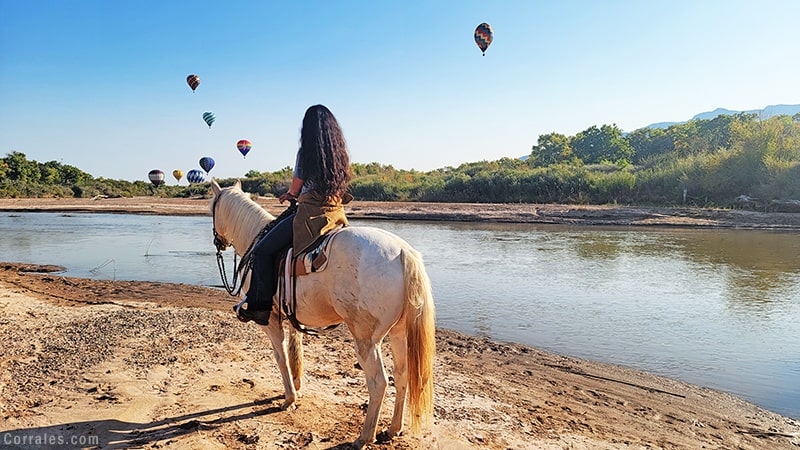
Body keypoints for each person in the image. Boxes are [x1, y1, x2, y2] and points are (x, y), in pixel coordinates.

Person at [234, 105, 353, 325]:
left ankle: (260, 307)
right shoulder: (339, 154)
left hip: (310, 214)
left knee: (261, 251)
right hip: (335, 213)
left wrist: (290, 194)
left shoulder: (306, 153)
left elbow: (297, 187)